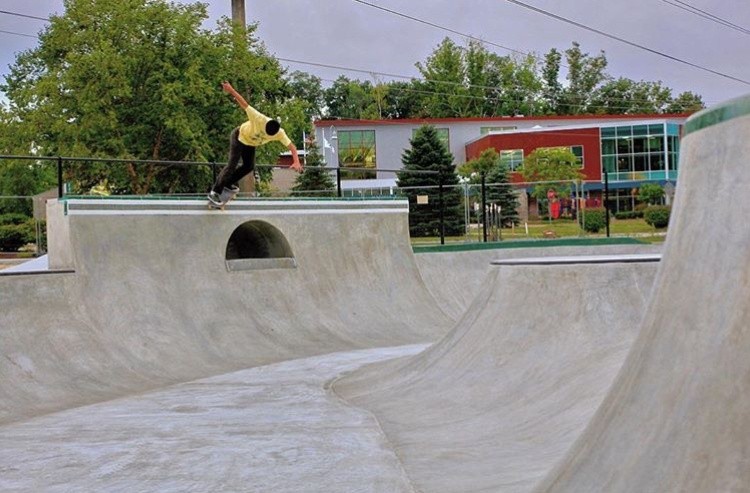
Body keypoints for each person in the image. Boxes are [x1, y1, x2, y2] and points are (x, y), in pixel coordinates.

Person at [208, 81, 303, 206]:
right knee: (232, 164)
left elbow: (292, 147)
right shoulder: (258, 118)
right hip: (239, 136)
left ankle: (228, 183)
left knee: (249, 166)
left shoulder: (280, 133)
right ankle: (215, 192)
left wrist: (296, 161)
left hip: (250, 144)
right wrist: (231, 90)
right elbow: (244, 104)